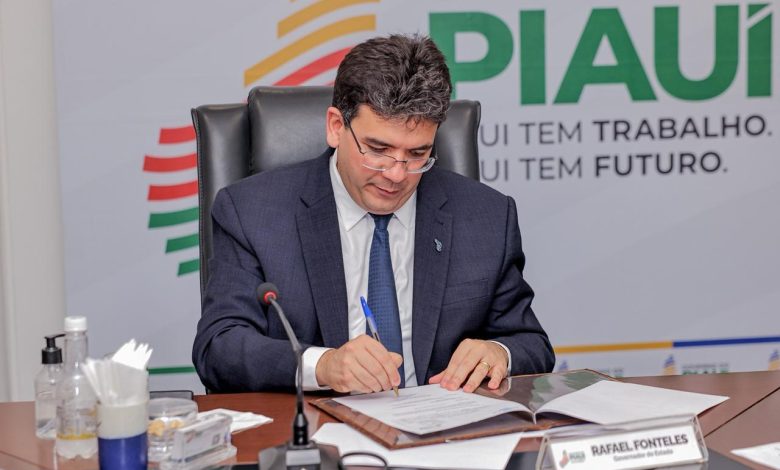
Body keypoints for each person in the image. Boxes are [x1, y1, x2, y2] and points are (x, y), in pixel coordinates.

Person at [192, 34, 554, 394]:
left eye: (417, 154)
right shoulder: (252, 213)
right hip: (319, 425)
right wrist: (323, 365)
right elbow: (219, 347)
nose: (396, 174)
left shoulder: (487, 216)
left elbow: (531, 343)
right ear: (336, 127)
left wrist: (499, 352)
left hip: (441, 423)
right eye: (378, 149)